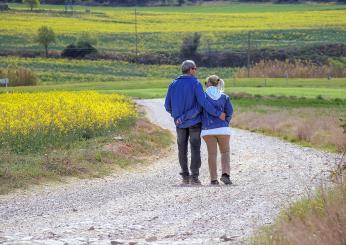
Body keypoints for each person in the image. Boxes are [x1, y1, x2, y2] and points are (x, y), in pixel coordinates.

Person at [164, 60, 226, 185]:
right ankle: (194, 177)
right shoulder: (196, 84)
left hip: (179, 124)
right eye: (195, 68)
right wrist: (217, 113)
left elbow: (167, 105)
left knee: (182, 149)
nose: (196, 71)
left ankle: (185, 176)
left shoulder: (173, 84)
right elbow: (202, 103)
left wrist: (177, 117)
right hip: (194, 123)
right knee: (195, 148)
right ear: (191, 69)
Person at [176, 75, 233, 185]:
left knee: (212, 154)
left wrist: (181, 118)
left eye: (205, 82)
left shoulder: (203, 98)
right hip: (223, 130)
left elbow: (195, 111)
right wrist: (225, 122)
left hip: (208, 130)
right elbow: (229, 112)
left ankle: (213, 179)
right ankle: (225, 175)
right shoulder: (224, 97)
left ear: (208, 84)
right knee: (225, 152)